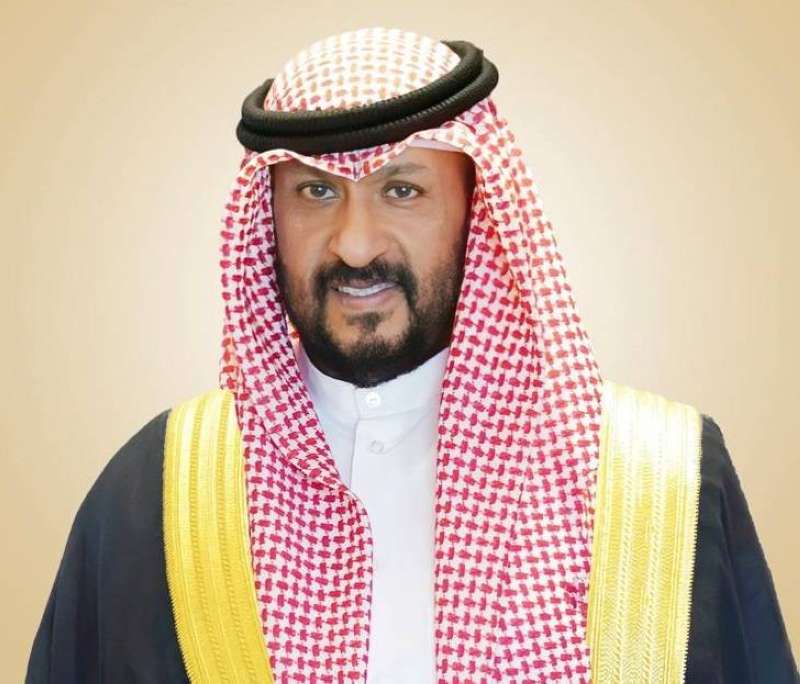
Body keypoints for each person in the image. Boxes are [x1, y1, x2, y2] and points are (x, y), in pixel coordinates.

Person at [26, 28, 797, 683]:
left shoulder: (661, 480)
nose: (356, 245)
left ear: (476, 209)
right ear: (268, 217)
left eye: (402, 191)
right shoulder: (155, 496)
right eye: (316, 192)